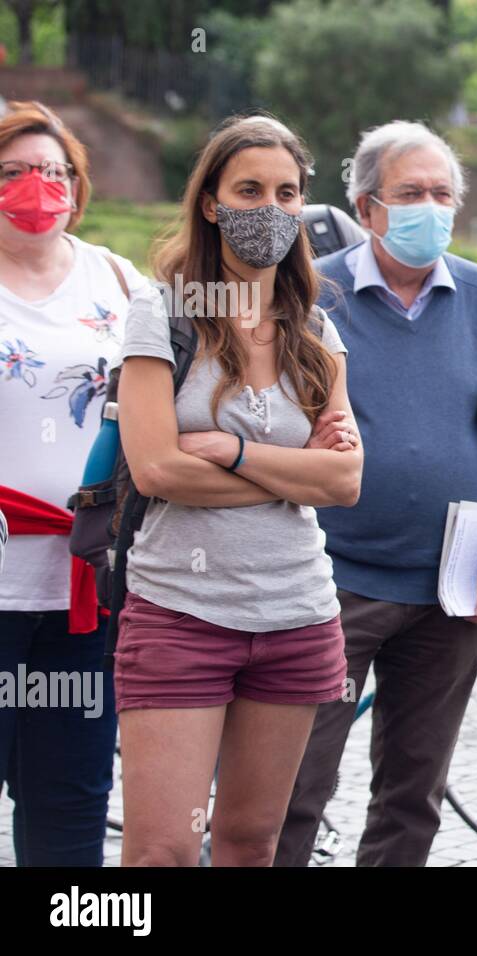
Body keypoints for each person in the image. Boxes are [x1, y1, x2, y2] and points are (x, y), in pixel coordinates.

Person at [276, 121, 477, 867]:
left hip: (448, 592)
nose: (431, 208)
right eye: (411, 193)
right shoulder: (309, 292)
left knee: (414, 791)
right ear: (366, 207)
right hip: (328, 582)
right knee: (295, 781)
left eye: (442, 193)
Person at [114, 114, 363, 866]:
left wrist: (227, 449)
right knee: (162, 848)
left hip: (295, 614)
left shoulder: (315, 328)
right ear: (212, 204)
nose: (271, 208)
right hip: (180, 615)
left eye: (287, 193)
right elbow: (156, 470)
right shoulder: (161, 313)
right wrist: (290, 474)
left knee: (253, 841)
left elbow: (346, 480)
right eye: (249, 189)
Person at [0, 100, 150, 866]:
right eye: (15, 172)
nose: (38, 187)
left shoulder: (117, 280)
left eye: (54, 172)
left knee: (72, 796)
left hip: (84, 591)